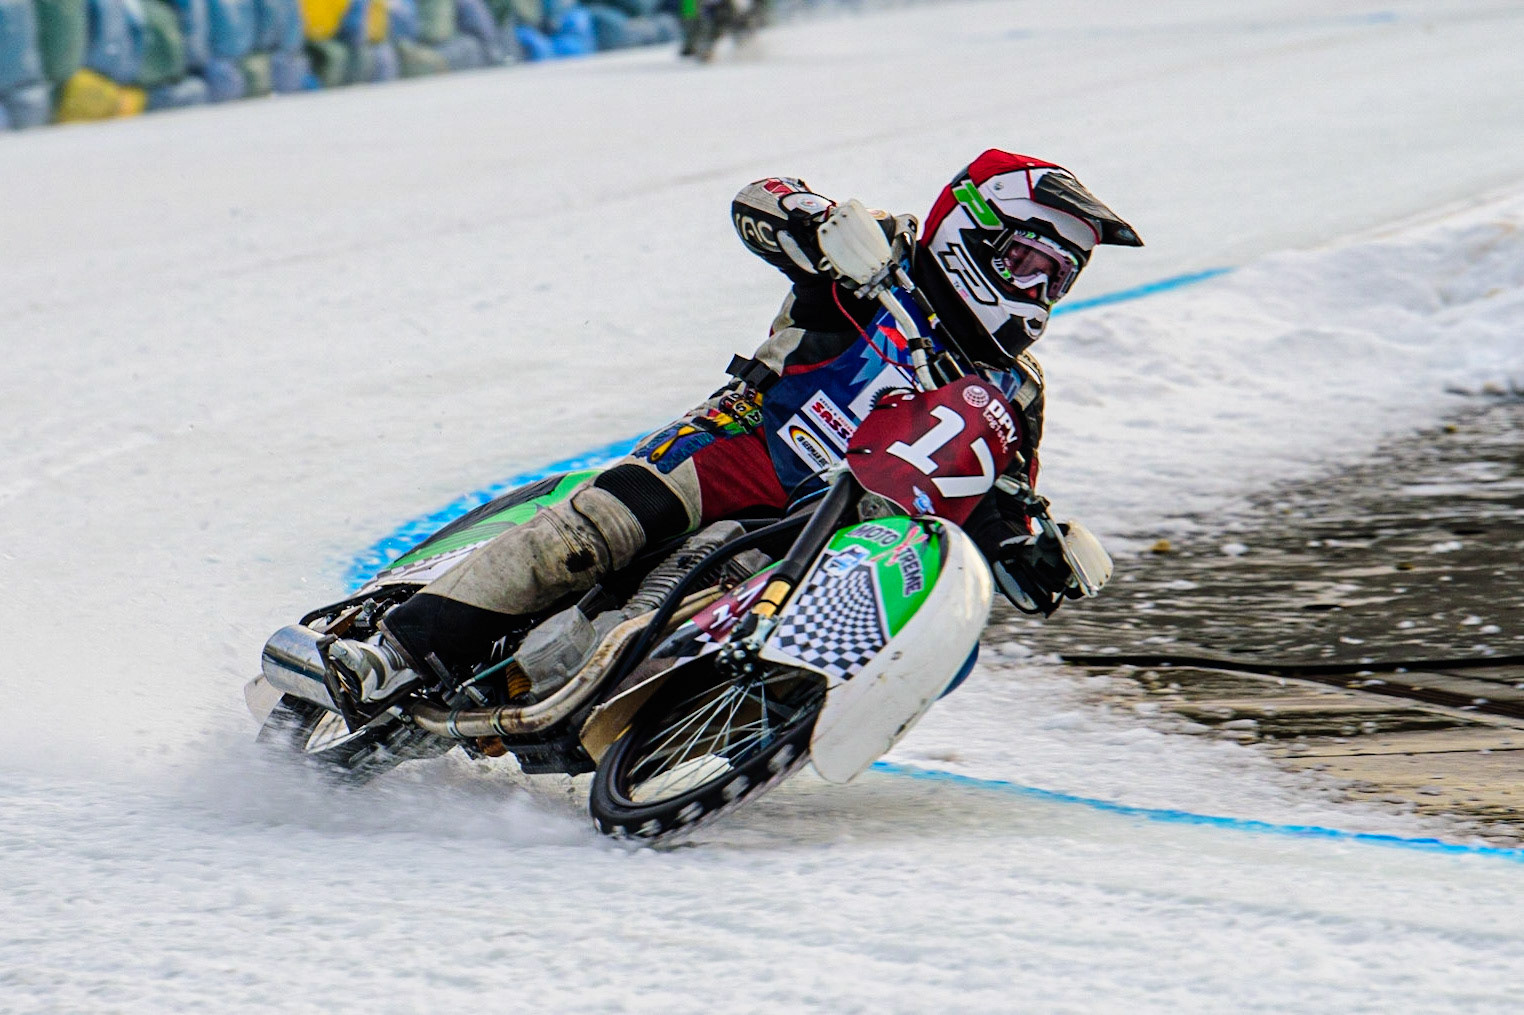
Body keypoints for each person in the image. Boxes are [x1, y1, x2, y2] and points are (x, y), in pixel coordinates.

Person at [328, 150, 1142, 704]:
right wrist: (820, 226)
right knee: (593, 529)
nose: (1038, 290)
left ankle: (590, 706)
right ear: (973, 229)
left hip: (815, 534)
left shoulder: (1016, 390)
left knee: (652, 624)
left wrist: (1040, 553)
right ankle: (393, 652)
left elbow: (992, 505)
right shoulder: (888, 252)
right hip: (744, 443)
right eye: (1027, 262)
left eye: (1058, 277)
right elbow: (761, 201)